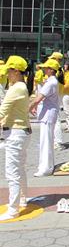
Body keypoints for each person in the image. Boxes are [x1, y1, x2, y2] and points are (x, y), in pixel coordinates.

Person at [0, 56, 32, 221]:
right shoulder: (19, 86)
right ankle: (22, 199)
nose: (6, 74)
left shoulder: (16, 88)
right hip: (21, 132)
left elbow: (2, 110)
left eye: (8, 71)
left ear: (17, 71)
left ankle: (13, 209)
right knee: (20, 168)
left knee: (12, 172)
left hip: (15, 133)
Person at [29, 58, 61, 177]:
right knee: (47, 141)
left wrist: (28, 108)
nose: (44, 69)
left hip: (48, 114)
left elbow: (38, 98)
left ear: (51, 70)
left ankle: (45, 168)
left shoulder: (51, 82)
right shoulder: (51, 81)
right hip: (48, 114)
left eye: (46, 68)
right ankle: (48, 165)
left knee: (46, 142)